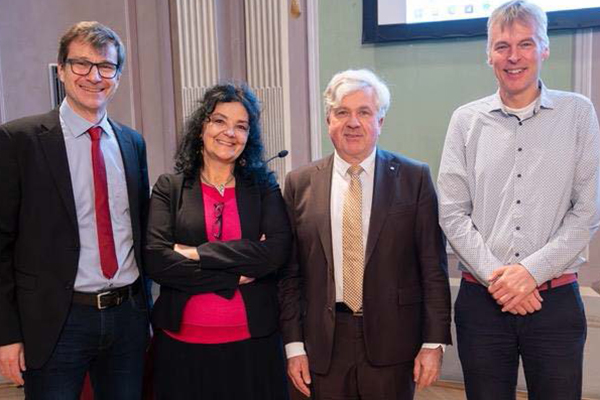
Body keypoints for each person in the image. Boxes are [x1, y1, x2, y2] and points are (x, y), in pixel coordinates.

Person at [437, 1, 600, 399]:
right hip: (481, 306)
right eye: (502, 45)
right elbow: (452, 213)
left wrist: (530, 273)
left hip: (556, 304)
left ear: (544, 48)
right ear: (488, 53)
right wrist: (501, 279)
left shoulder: (578, 113)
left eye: (525, 44)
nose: (513, 57)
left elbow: (588, 210)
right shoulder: (465, 121)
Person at [279, 69, 452, 400]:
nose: (353, 122)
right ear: (328, 120)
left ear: (381, 120)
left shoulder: (414, 178)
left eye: (364, 112)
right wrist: (293, 346)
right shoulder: (299, 183)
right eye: (342, 112)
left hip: (394, 342)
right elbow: (289, 275)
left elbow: (433, 267)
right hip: (321, 343)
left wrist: (433, 343)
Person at [0, 21, 150, 399]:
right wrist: (7, 335)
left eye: (106, 67)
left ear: (117, 75)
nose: (93, 76)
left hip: (127, 318)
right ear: (63, 69)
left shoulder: (132, 143)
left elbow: (142, 229)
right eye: (81, 64)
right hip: (56, 321)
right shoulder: (19, 140)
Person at [144, 83, 292, 399]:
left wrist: (196, 253)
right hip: (181, 348)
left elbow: (275, 252)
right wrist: (234, 273)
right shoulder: (169, 188)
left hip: (254, 346)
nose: (230, 132)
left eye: (241, 126)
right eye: (220, 121)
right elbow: (157, 260)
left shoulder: (263, 187)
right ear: (202, 127)